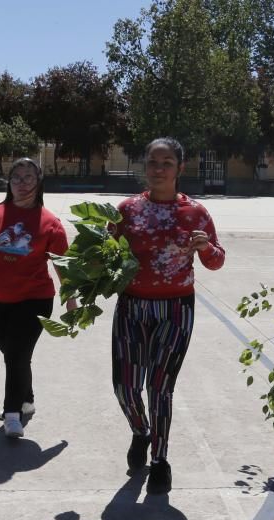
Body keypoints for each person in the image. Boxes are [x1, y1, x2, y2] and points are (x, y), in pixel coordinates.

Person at [111, 137, 225, 495]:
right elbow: (105, 253)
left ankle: (160, 460)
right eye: (152, 163)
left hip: (176, 308)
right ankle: (141, 431)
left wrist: (206, 247)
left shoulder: (195, 213)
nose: (158, 170)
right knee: (125, 387)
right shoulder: (127, 210)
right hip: (131, 306)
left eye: (167, 163)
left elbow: (217, 260)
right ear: (144, 167)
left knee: (160, 388)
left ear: (180, 168)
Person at [0, 158, 77, 438]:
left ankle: (12, 413)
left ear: (39, 181)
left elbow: (61, 263)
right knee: (15, 355)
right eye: (17, 177)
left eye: (29, 177)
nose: (22, 182)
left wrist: (70, 298)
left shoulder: (50, 222)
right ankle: (26, 398)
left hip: (35, 299)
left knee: (15, 354)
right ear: (9, 182)